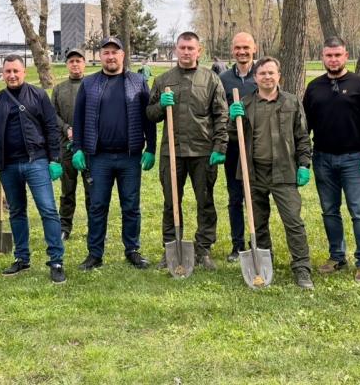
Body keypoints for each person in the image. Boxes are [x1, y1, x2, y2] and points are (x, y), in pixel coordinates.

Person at [72, 36, 157, 270]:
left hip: (130, 156)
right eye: (106, 52)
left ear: (123, 55)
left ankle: (132, 250)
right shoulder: (89, 84)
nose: (110, 56)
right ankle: (95, 254)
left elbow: (148, 117)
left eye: (115, 52)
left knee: (131, 205)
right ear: (100, 56)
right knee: (97, 205)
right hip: (99, 157)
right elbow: (78, 119)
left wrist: (151, 147)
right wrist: (78, 148)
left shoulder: (138, 82)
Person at [0, 55, 66, 284]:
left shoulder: (38, 95)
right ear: (3, 73)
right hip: (7, 165)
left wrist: (55, 159)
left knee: (48, 210)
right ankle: (22, 258)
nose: (12, 75)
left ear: (24, 72)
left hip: (36, 162)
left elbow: (50, 127)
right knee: (17, 211)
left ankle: (56, 261)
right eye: (8, 71)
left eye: (16, 71)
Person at [147, 31, 228, 270]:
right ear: (175, 50)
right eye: (182, 48)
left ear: (199, 51)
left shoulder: (211, 80)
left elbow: (221, 116)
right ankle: (171, 246)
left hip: (203, 152)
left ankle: (203, 249)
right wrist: (161, 106)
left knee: (205, 201)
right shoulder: (163, 80)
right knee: (172, 202)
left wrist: (219, 146)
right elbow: (149, 114)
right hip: (172, 152)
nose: (186, 52)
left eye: (190, 48)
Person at [303, 37, 360, 283]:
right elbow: (304, 126)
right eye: (329, 55)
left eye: (338, 55)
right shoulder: (314, 87)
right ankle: (337, 256)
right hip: (323, 158)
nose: (333, 59)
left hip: (354, 159)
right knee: (329, 210)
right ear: (322, 57)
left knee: (359, 210)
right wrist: (303, 159)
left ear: (346, 56)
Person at [232, 57, 314, 289]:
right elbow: (232, 136)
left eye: (271, 73)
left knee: (293, 221)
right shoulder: (246, 104)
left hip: (284, 172)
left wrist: (304, 164)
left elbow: (302, 137)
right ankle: (263, 264)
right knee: (257, 223)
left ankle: (302, 269)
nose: (267, 77)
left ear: (279, 76)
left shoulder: (291, 102)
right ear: (255, 77)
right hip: (253, 173)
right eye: (262, 73)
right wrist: (233, 118)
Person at [219, 32, 259, 262]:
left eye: (246, 47)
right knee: (235, 197)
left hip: (258, 146)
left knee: (255, 197)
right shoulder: (223, 78)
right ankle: (237, 245)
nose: (242, 51)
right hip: (234, 147)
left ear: (254, 48)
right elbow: (217, 112)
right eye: (237, 48)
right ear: (232, 50)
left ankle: (260, 241)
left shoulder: (263, 74)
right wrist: (228, 120)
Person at [51, 48, 91, 241]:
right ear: (67, 64)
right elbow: (53, 116)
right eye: (71, 61)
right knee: (67, 189)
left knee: (93, 189)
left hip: (89, 147)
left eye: (78, 60)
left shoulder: (92, 85)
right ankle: (64, 226)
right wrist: (66, 128)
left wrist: (82, 134)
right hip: (66, 146)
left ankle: (95, 227)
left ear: (84, 63)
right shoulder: (59, 89)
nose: (75, 64)